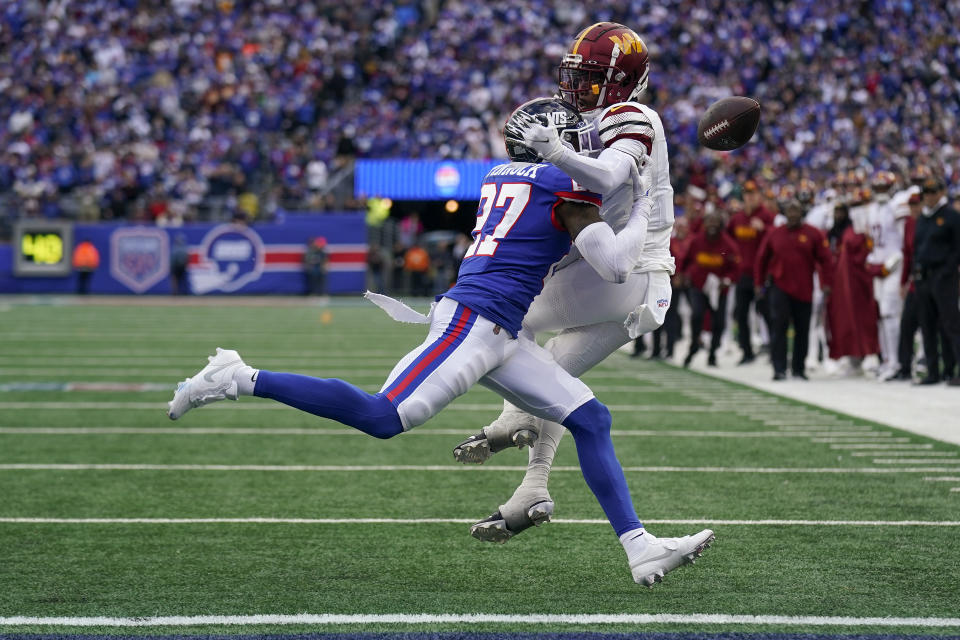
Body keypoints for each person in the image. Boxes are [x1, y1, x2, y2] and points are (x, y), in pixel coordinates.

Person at [167, 97, 714, 587]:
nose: (578, 145)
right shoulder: (559, 186)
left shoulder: (505, 175)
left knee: (591, 420)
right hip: (474, 323)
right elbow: (617, 266)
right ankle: (238, 376)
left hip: (502, 328)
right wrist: (644, 204)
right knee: (382, 417)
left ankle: (640, 549)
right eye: (570, 136)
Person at [451, 22, 677, 543]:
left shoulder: (632, 115)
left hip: (628, 273)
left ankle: (510, 419)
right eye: (575, 76)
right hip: (633, 287)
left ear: (623, 81)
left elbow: (604, 177)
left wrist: (552, 150)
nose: (578, 88)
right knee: (553, 383)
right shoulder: (589, 119)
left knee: (511, 316)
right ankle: (533, 488)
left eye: (593, 78)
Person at [754, 200, 834, 380]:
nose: (793, 214)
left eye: (796, 211)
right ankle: (779, 368)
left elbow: (825, 259)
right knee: (779, 327)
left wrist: (827, 283)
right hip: (779, 286)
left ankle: (799, 368)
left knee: (802, 329)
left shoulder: (813, 234)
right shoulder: (775, 233)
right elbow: (761, 259)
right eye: (790, 210)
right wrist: (759, 283)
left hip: (804, 288)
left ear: (802, 213)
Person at [912, 175, 960, 386]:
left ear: (941, 192)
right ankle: (933, 371)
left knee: (950, 325)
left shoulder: (951, 216)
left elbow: (957, 248)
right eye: (926, 193)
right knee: (927, 325)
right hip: (924, 277)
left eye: (933, 192)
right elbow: (917, 247)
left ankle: (953, 368)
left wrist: (947, 271)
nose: (929, 197)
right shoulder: (923, 217)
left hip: (943, 276)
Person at [825, 201, 881, 374]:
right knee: (848, 319)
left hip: (863, 282)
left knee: (876, 318)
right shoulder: (846, 233)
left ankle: (874, 355)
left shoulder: (859, 233)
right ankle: (854, 357)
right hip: (848, 283)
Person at [865, 171, 908, 381]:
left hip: (894, 266)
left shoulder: (896, 206)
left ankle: (896, 361)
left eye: (884, 188)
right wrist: (872, 262)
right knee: (881, 316)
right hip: (878, 266)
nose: (881, 192)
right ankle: (886, 360)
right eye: (878, 188)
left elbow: (903, 242)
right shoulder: (872, 209)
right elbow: (872, 240)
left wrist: (888, 265)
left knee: (890, 314)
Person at [727, 180, 775, 364]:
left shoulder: (766, 216)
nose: (750, 197)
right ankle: (747, 352)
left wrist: (765, 229)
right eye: (747, 194)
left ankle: (773, 350)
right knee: (741, 314)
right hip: (742, 274)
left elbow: (777, 237)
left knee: (766, 313)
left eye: (753, 193)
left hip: (761, 275)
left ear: (759, 196)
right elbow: (727, 239)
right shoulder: (738, 218)